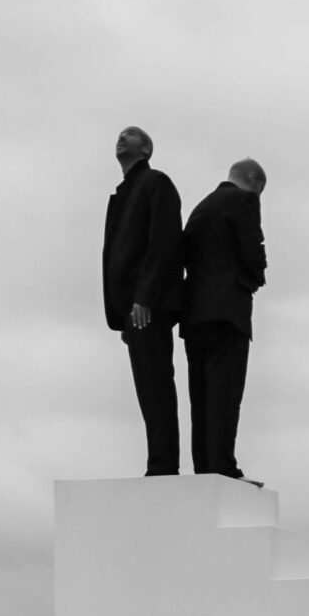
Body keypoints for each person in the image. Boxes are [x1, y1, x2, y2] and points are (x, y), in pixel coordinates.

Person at [102, 126, 183, 475]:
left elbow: (164, 242)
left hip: (147, 307)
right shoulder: (124, 192)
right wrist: (122, 315)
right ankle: (159, 464)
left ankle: (163, 467)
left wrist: (144, 298)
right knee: (148, 388)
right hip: (133, 312)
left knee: (156, 384)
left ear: (147, 149)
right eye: (120, 135)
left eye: (131, 135)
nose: (121, 138)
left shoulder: (156, 183)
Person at [181, 159, 267, 485]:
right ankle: (224, 469)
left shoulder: (200, 208)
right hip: (228, 311)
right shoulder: (244, 201)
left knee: (201, 398)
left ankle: (205, 469)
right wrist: (256, 276)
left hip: (196, 314)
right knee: (225, 394)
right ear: (252, 182)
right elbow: (251, 249)